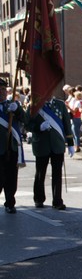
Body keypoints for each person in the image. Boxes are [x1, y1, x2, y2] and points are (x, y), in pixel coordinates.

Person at [25, 97, 75, 210]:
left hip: (57, 144)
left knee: (57, 173)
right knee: (40, 173)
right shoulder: (34, 105)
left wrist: (70, 143)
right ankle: (38, 199)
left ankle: (57, 201)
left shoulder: (60, 105)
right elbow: (27, 123)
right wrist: (39, 127)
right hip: (41, 144)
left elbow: (66, 123)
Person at [0, 78, 26, 214]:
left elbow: (25, 119)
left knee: (11, 176)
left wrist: (17, 111)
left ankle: (10, 202)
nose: (1, 92)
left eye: (4, 89)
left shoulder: (13, 104)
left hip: (11, 147)